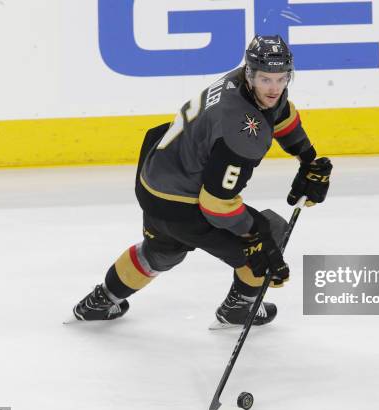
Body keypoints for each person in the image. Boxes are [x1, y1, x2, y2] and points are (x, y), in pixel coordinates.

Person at [72, 35, 332, 327]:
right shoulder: (243, 130)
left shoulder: (241, 82)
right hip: (182, 203)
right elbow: (217, 205)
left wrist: (308, 158)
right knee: (270, 233)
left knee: (163, 251)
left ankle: (101, 301)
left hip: (154, 179)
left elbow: (281, 111)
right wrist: (256, 235)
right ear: (251, 74)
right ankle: (239, 308)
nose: (274, 88)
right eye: (266, 80)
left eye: (281, 79)